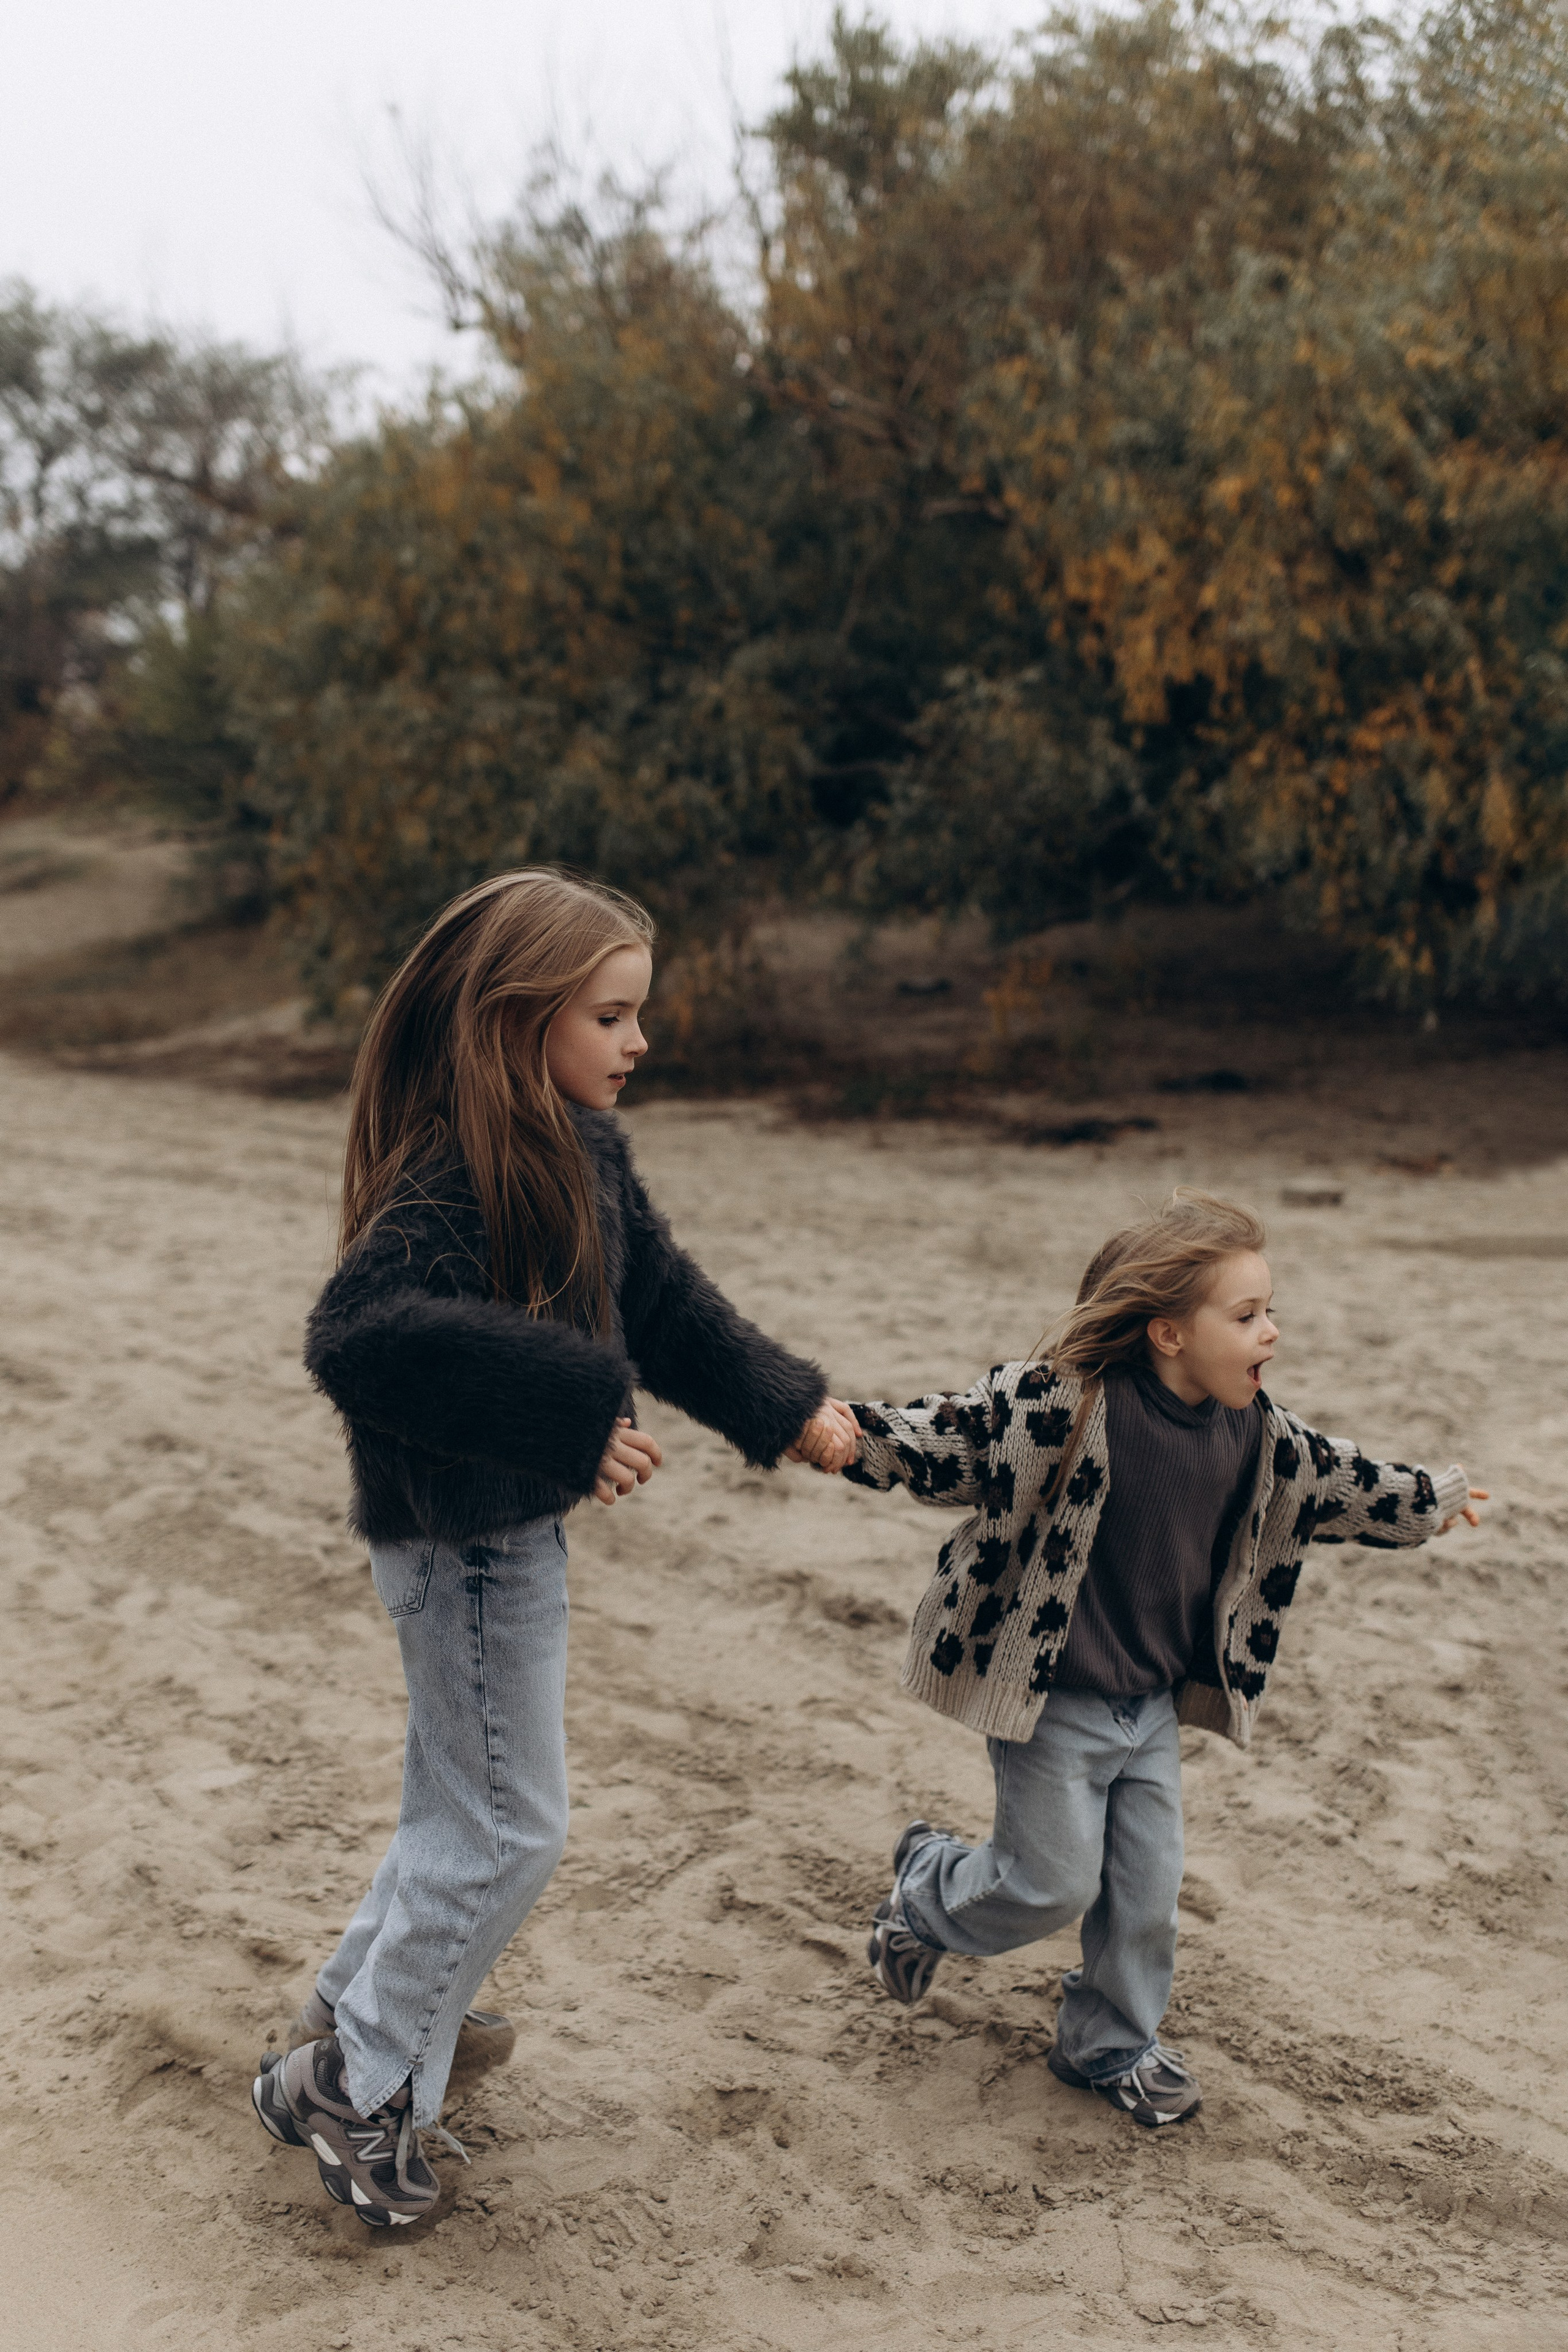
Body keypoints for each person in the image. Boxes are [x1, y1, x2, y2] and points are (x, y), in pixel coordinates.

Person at [252, 869, 855, 2225]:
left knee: (458, 1813)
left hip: (489, 1542)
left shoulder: (579, 1145)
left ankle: (350, 2035)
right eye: (610, 1015)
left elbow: (666, 1303)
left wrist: (790, 1407)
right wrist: (573, 1407)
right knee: (514, 1826)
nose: (637, 1041)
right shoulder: (453, 1172)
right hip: (462, 1546)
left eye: (635, 1013)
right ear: (519, 1020)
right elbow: (355, 1339)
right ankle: (359, 2082)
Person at [793, 1190, 1485, 2128]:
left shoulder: (1260, 1435)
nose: (1271, 1333)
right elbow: (947, 1439)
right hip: (1053, 1706)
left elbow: (1339, 1481)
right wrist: (846, 1435)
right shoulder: (1064, 1408)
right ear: (1166, 1331)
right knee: (1049, 1884)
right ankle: (923, 1897)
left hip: (1151, 1707)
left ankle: (1108, 2042)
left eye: (1270, 1311)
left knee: (1146, 1895)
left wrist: (1429, 1502)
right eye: (1247, 1316)